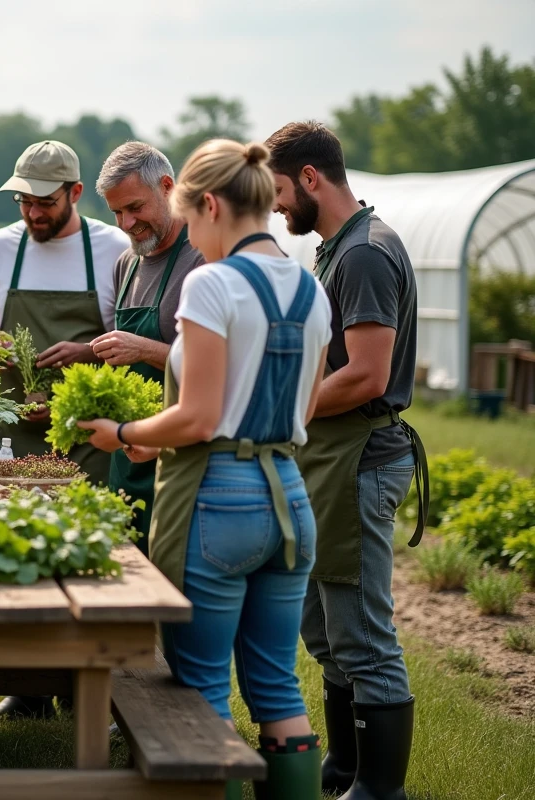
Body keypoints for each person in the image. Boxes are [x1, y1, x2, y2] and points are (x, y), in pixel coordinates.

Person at [80, 138, 332, 799]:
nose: (191, 237)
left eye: (191, 221)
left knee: (201, 690)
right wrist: (158, 443)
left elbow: (197, 417)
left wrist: (124, 433)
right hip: (289, 497)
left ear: (211, 206)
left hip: (219, 503)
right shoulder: (309, 288)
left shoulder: (211, 282)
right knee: (277, 685)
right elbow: (302, 409)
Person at [266, 121, 427, 800]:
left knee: (361, 632)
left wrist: (283, 410)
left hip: (359, 459)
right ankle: (344, 767)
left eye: (278, 190)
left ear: (310, 178)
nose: (275, 206)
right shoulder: (335, 248)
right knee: (326, 629)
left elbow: (365, 375)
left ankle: (380, 788)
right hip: (330, 458)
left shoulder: (363, 253)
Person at [0, 140, 128, 722]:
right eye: (23, 201)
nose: (32, 213)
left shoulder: (112, 248)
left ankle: (85, 694)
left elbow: (129, 341)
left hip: (86, 436)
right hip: (13, 436)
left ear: (75, 193)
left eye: (45, 202)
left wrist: (86, 350)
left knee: (84, 561)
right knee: (16, 557)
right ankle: (26, 694)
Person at [91, 142, 206, 545]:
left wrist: (143, 349)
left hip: (180, 456)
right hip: (127, 457)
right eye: (116, 212)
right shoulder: (127, 263)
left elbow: (218, 371)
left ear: (168, 187)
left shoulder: (202, 259)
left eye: (135, 207)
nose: (126, 223)